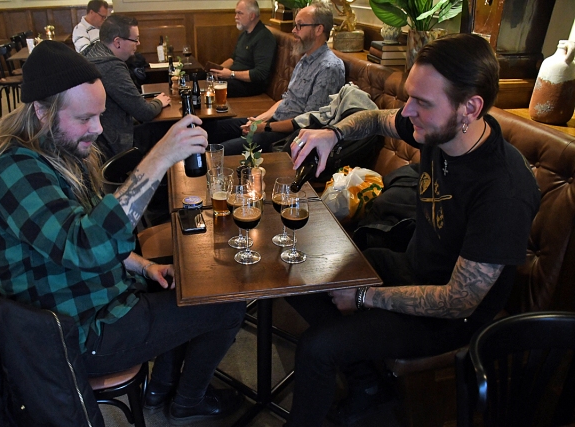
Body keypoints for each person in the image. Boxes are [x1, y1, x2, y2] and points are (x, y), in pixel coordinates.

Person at [0, 41, 246, 425]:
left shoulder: (54, 147)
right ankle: (188, 400)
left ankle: (160, 388)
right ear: (41, 111)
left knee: (189, 277)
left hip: (98, 295)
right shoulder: (11, 168)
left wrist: (141, 265)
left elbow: (87, 227)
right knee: (229, 303)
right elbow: (84, 246)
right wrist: (159, 158)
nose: (98, 128)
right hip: (78, 334)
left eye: (99, 116)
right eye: (85, 118)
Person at [285, 33, 541, 426]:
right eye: (409, 97)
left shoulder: (503, 190)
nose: (407, 111)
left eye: (422, 102)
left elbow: (458, 301)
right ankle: (368, 385)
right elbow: (375, 119)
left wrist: (364, 297)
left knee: (317, 349)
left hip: (451, 318)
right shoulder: (440, 128)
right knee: (299, 273)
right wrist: (332, 134)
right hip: (412, 267)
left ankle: (350, 381)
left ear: (470, 107)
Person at [207, 1, 345, 155]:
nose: (293, 30)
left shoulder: (329, 67)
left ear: (319, 29)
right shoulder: (305, 59)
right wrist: (259, 120)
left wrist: (265, 127)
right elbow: (286, 99)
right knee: (211, 129)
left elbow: (309, 122)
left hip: (288, 136)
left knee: (218, 151)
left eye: (299, 26)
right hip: (274, 122)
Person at [84, 14, 171, 160]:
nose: (138, 43)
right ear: (117, 42)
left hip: (99, 141)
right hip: (115, 145)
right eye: (135, 39)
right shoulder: (111, 66)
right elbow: (144, 112)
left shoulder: (90, 53)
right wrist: (159, 102)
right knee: (170, 128)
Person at [208, 0, 277, 98]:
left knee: (214, 88)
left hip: (250, 85)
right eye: (236, 13)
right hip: (234, 79)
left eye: (240, 13)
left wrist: (231, 74)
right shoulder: (244, 35)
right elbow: (233, 59)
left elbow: (260, 74)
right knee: (201, 76)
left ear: (252, 16)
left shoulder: (264, 37)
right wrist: (218, 70)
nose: (236, 17)